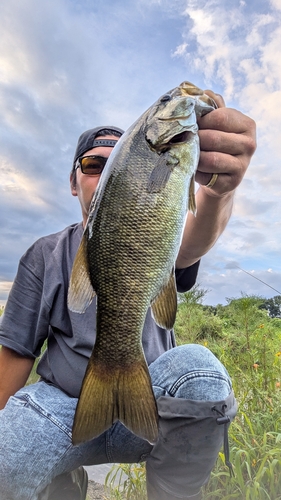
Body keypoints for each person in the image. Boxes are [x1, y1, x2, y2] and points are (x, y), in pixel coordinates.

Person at [0, 90, 256, 500]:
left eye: (111, 160)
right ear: (72, 181)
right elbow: (14, 354)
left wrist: (219, 191)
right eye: (91, 165)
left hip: (154, 407)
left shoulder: (162, 217)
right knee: (5, 449)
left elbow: (194, 240)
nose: (101, 174)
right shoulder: (44, 255)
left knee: (203, 374)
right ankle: (64, 480)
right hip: (66, 413)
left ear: (132, 162)